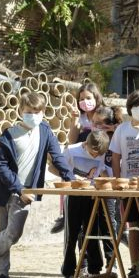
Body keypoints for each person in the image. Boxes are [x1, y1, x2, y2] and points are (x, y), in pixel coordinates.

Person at [0, 92, 74, 278]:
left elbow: (57, 158)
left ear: (43, 112)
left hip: (25, 194)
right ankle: (3, 276)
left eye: (37, 111)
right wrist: (19, 188)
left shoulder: (45, 131)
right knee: (0, 234)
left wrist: (73, 180)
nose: (33, 115)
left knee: (13, 234)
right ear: (20, 111)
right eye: (28, 111)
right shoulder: (9, 135)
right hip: (3, 192)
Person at [109, 90, 139, 278]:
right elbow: (115, 157)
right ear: (130, 108)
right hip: (128, 185)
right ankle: (134, 266)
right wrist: (118, 181)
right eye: (137, 105)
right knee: (133, 225)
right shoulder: (122, 129)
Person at [59, 130, 112, 278]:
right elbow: (54, 167)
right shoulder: (72, 150)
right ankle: (68, 272)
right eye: (93, 153)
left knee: (92, 232)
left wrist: (107, 179)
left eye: (98, 154)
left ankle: (95, 270)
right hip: (74, 196)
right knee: (72, 234)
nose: (95, 156)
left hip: (92, 196)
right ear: (86, 144)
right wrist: (69, 178)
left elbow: (101, 170)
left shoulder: (100, 153)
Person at [50, 83, 104, 233]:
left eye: (88, 97)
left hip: (99, 159)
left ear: (96, 97)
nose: (85, 101)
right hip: (81, 159)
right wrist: (74, 121)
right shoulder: (80, 116)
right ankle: (65, 215)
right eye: (81, 98)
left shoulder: (103, 114)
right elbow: (71, 141)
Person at [90, 105, 123, 278]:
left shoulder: (116, 137)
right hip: (93, 185)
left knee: (110, 225)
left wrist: (114, 130)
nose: (95, 126)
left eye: (100, 124)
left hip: (111, 187)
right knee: (90, 227)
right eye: (94, 123)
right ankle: (92, 266)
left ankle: (113, 263)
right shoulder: (92, 138)